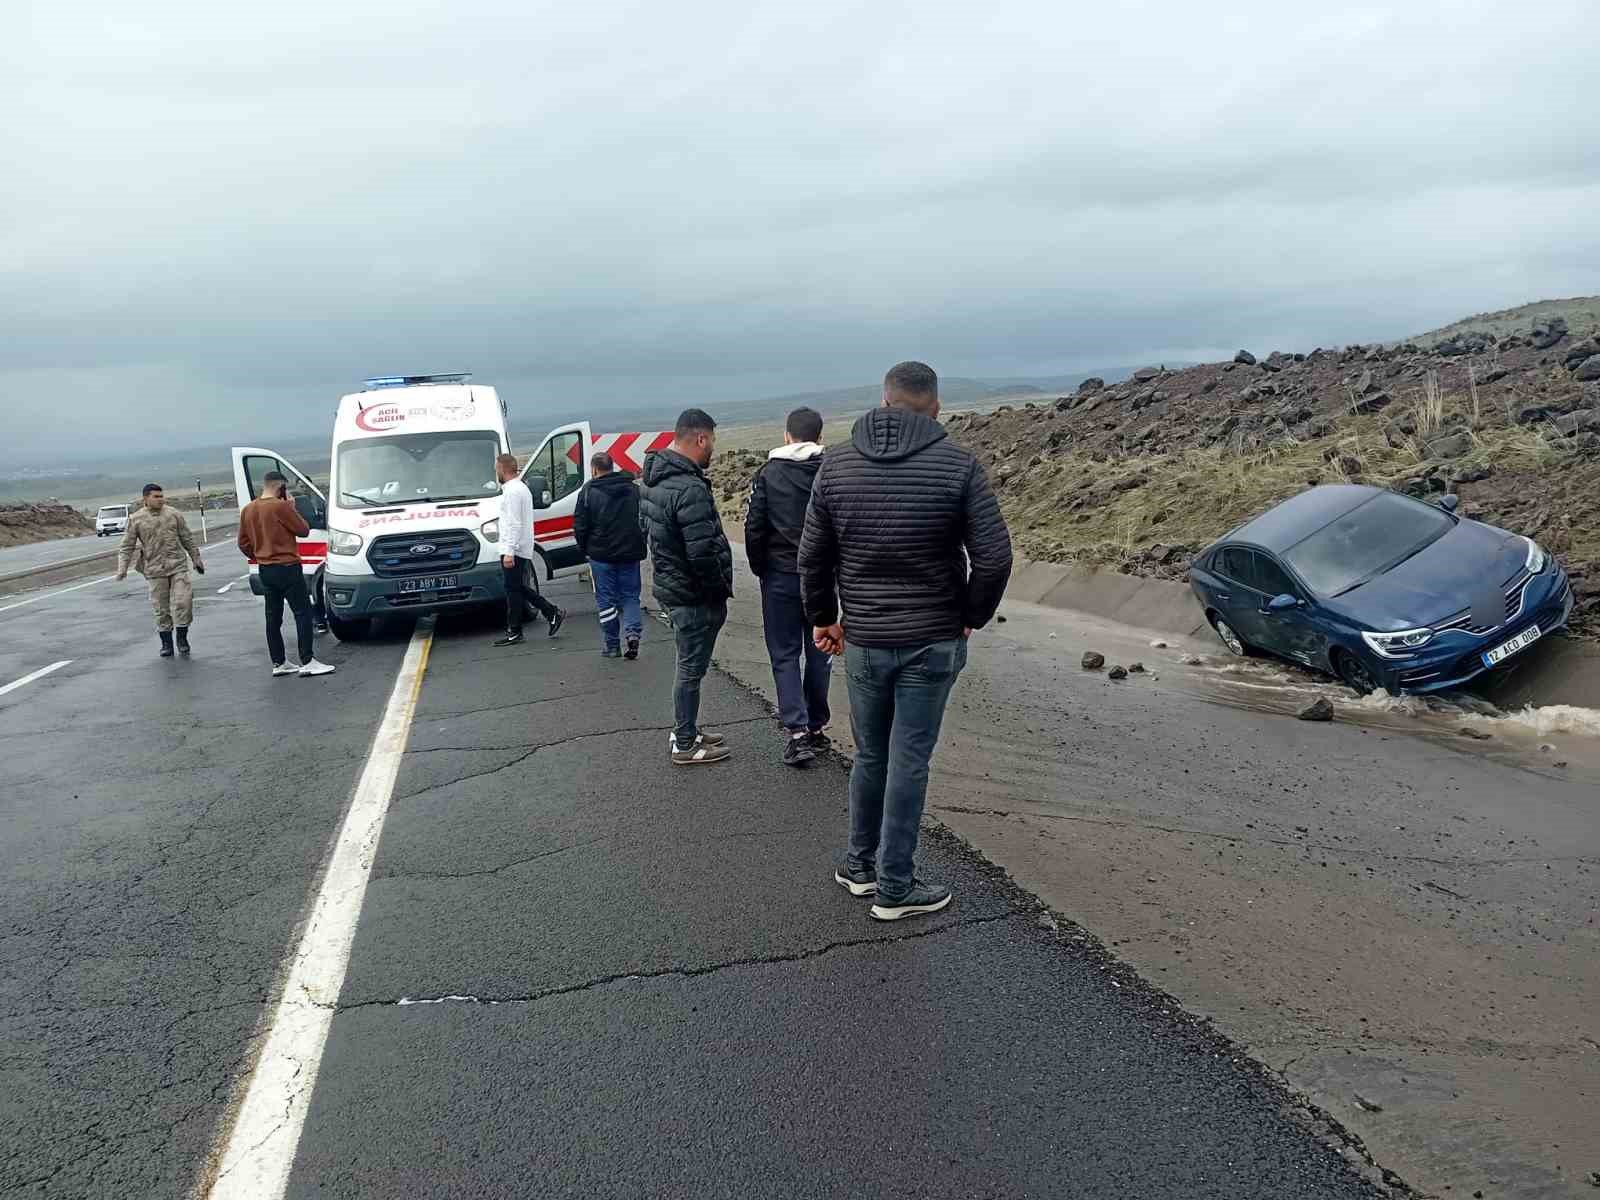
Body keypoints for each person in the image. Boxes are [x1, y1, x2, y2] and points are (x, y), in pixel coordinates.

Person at [799, 362, 1012, 921]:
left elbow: (813, 555)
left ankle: (860, 865)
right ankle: (896, 886)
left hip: (865, 638)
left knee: (871, 753)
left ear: (884, 401)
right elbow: (994, 557)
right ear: (935, 407)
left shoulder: (836, 464)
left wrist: (824, 617)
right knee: (909, 758)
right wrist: (970, 615)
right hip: (932, 639)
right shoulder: (959, 465)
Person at [641, 408, 735, 766]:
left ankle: (688, 728)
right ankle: (685, 743)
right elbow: (702, 553)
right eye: (711, 440)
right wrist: (717, 591)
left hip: (672, 588)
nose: (712, 448)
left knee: (687, 665)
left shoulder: (653, 481)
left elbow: (651, 535)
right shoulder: (690, 488)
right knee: (691, 670)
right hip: (694, 597)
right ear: (700, 438)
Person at [746, 406, 831, 767]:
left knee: (784, 654)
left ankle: (797, 734)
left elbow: (754, 527)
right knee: (820, 652)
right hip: (823, 577)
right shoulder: (830, 471)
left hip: (780, 575)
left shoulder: (768, 474)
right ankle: (815, 725)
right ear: (819, 437)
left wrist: (760, 568)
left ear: (786, 435)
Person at [237, 471, 335, 677]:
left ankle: (279, 662)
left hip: (265, 569)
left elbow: (243, 543)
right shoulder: (280, 507)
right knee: (303, 613)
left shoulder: (248, 509)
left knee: (273, 617)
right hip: (288, 567)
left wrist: (260, 555)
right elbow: (303, 530)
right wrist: (291, 507)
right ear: (280, 487)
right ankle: (307, 660)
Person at [116, 483, 205, 657]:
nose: (160, 499)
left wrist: (196, 558)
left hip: (177, 565)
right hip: (154, 569)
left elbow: (186, 537)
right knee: (161, 608)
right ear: (145, 499)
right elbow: (126, 546)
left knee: (184, 602)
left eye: (161, 496)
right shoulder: (136, 519)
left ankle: (182, 637)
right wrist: (122, 568)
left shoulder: (173, 514)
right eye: (156, 497)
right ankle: (167, 643)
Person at [573, 451, 647, 659]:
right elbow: (644, 519)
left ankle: (612, 645)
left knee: (606, 600)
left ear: (594, 469)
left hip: (600, 555)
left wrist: (585, 549)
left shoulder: (588, 492)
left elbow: (580, 525)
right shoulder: (633, 490)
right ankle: (633, 634)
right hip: (630, 552)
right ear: (612, 467)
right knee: (631, 596)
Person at [493, 452, 565, 647]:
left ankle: (515, 630)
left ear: (502, 468)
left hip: (514, 548)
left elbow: (514, 523)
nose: (496, 471)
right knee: (517, 587)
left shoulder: (512, 492)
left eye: (496, 468)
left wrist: (509, 550)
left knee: (513, 589)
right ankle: (550, 612)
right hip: (519, 546)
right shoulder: (519, 488)